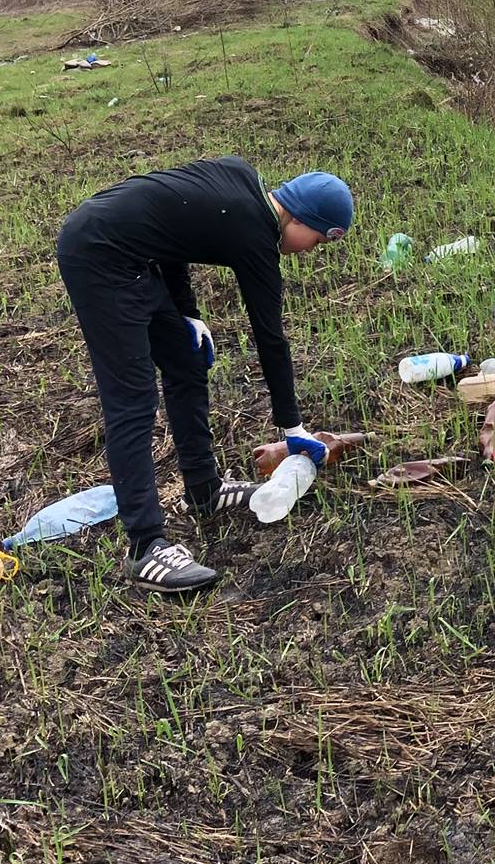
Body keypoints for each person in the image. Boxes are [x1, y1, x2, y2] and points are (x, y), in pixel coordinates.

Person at [55, 158, 352, 592]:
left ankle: (204, 490)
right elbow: (270, 339)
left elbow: (168, 230)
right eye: (318, 239)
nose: (311, 249)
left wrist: (187, 315)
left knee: (186, 361)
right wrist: (292, 427)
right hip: (99, 255)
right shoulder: (255, 236)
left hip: (133, 253)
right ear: (300, 217)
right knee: (133, 400)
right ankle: (145, 548)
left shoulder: (242, 177)